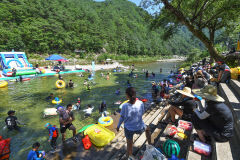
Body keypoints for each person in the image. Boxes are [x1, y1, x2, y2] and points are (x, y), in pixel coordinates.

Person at [117, 87, 151, 159]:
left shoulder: (125, 106)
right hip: (140, 127)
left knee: (129, 144)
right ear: (135, 94)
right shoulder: (141, 103)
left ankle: (129, 156)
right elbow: (142, 112)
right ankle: (150, 144)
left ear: (127, 96)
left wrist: (118, 126)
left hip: (129, 129)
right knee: (148, 129)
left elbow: (122, 117)